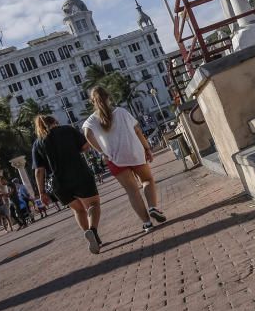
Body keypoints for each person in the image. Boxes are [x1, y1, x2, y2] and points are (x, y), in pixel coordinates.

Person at [83, 86, 166, 233]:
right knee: (147, 180)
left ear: (92, 102)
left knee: (132, 191)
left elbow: (88, 135)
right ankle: (153, 207)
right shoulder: (121, 112)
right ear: (108, 97)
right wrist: (147, 148)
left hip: (114, 159)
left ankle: (147, 223)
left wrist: (102, 151)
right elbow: (138, 130)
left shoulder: (91, 120)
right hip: (134, 152)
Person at [32, 115, 103, 253]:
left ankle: (92, 236)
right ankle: (93, 232)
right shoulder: (67, 130)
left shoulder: (37, 143)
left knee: (78, 210)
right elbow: (85, 146)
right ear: (55, 122)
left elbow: (39, 171)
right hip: (80, 174)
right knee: (93, 204)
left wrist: (41, 192)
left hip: (59, 184)